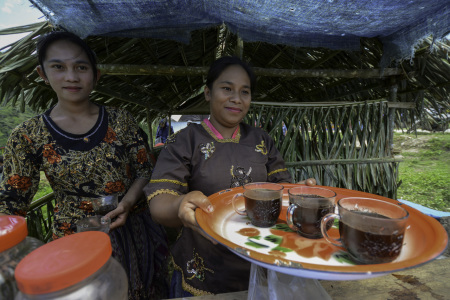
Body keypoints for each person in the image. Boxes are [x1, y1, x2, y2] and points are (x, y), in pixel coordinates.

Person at [0, 31, 169, 300]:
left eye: (81, 67)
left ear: (95, 74)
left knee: (142, 290)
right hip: (74, 242)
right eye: (58, 67)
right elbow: (11, 204)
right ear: (42, 74)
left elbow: (144, 170)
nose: (71, 76)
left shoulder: (121, 120)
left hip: (133, 233)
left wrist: (127, 202)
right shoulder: (27, 135)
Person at [144, 56, 315, 297]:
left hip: (258, 261)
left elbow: (281, 187)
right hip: (204, 263)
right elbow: (160, 201)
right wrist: (179, 204)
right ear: (207, 93)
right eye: (226, 88)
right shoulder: (186, 140)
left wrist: (299, 193)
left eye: (244, 92)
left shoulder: (260, 140)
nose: (236, 98)